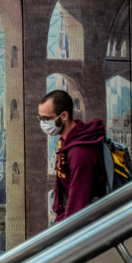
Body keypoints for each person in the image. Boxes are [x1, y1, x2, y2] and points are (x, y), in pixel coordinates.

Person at [38, 90, 106, 222]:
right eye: (40, 118)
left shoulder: (80, 152)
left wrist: (63, 234)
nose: (43, 124)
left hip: (86, 227)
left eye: (47, 119)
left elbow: (78, 204)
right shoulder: (65, 142)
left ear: (64, 116)